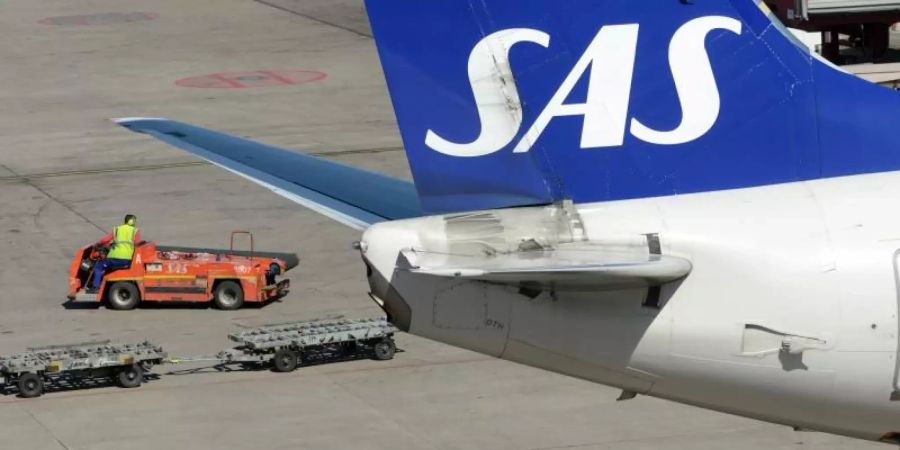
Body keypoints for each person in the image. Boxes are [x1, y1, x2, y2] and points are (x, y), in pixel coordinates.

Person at [88, 214, 142, 293]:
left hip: (114, 259)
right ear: (132, 221)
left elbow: (104, 240)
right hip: (127, 260)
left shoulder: (117, 229)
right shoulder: (135, 231)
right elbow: (138, 244)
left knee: (98, 267)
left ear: (125, 221)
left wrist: (97, 244)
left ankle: (96, 288)